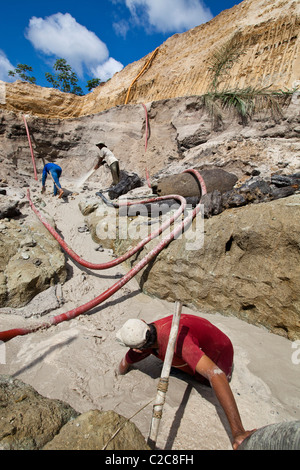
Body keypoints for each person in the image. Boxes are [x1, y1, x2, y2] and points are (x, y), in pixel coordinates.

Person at [116, 314, 256, 450]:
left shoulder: (176, 341)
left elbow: (217, 375)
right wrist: (121, 369)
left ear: (138, 349)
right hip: (196, 342)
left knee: (203, 378)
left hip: (219, 354)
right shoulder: (149, 331)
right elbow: (124, 364)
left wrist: (238, 432)